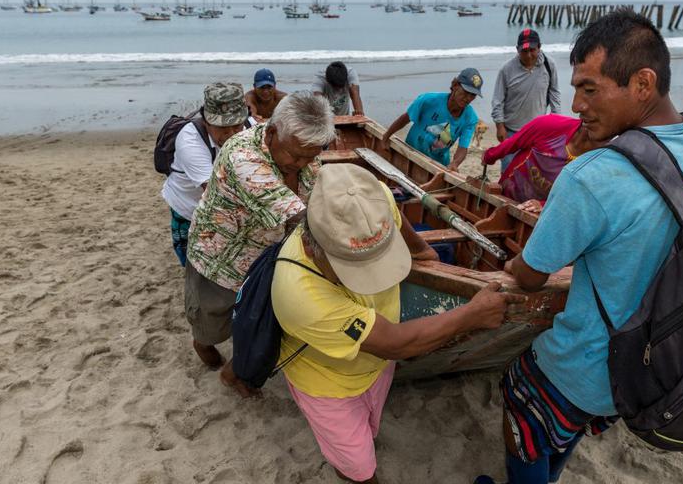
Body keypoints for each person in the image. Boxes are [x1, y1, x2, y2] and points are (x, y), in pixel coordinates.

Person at [474, 11, 683, 484]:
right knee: (572, 426)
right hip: (662, 355)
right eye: (575, 88)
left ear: (642, 83)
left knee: (524, 403)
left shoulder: (592, 176)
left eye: (591, 89)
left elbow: (530, 274)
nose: (576, 104)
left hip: (590, 362)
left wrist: (516, 259)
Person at [275, 163, 527, 484]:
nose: (370, 278)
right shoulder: (298, 292)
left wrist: (423, 250)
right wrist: (471, 314)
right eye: (353, 267)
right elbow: (395, 342)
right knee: (358, 468)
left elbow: (392, 208)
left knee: (370, 426)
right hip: (328, 382)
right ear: (312, 247)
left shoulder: (371, 202)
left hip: (376, 366)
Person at [184, 91, 335, 385]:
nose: (303, 163)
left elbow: (319, 193)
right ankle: (207, 351)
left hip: (267, 256)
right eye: (296, 155)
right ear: (273, 131)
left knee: (256, 325)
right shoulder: (243, 158)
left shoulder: (303, 153)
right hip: (220, 259)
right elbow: (300, 217)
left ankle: (235, 371)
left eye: (311, 156)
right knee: (210, 329)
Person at [160, 82, 254, 266]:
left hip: (234, 204)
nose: (231, 135)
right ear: (205, 121)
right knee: (194, 265)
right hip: (189, 209)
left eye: (236, 126)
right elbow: (216, 194)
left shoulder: (251, 127)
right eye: (223, 128)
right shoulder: (189, 140)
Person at [481, 114, 603, 213]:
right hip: (507, 194)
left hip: (538, 213)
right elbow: (514, 142)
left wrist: (543, 205)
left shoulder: (603, 159)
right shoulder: (550, 124)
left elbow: (578, 197)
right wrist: (490, 156)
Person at [378, 68, 482, 171]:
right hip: (411, 154)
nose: (468, 98)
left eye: (473, 95)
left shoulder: (470, 118)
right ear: (455, 86)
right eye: (465, 92)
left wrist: (455, 163)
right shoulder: (428, 100)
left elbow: (463, 148)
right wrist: (386, 136)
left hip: (438, 165)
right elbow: (405, 118)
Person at [491, 29, 561, 171]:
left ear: (539, 47)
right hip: (511, 131)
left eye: (532, 50)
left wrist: (556, 120)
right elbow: (497, 100)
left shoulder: (549, 65)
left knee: (533, 172)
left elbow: (555, 93)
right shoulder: (506, 69)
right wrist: (499, 126)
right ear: (517, 50)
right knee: (509, 171)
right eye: (524, 51)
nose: (528, 55)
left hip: (537, 132)